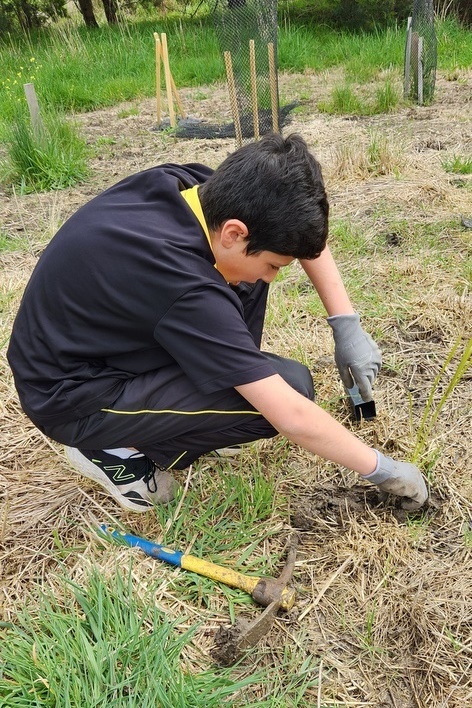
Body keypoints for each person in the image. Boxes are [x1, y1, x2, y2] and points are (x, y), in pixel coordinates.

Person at [7, 133, 428, 514]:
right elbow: (292, 416)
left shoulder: (193, 189)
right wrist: (383, 469)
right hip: (70, 394)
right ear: (233, 232)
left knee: (247, 279)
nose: (273, 275)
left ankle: (197, 407)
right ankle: (112, 449)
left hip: (98, 341)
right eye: (274, 264)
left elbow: (292, 233)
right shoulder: (183, 285)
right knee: (289, 389)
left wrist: (345, 324)